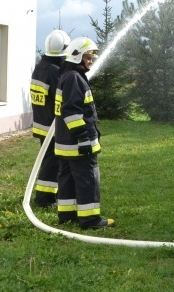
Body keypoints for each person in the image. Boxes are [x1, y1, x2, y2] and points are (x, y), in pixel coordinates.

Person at [54, 36, 114, 229]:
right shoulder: (73, 79)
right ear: (77, 57)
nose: (91, 61)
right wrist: (83, 138)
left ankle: (67, 215)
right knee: (87, 179)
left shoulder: (68, 77)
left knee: (68, 179)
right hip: (78, 144)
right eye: (88, 57)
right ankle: (90, 219)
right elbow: (72, 112)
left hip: (65, 143)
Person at [29, 29, 70, 208]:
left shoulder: (39, 68)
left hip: (41, 123)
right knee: (52, 163)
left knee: (49, 161)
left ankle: (49, 196)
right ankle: (44, 200)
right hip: (52, 126)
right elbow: (61, 97)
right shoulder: (54, 71)